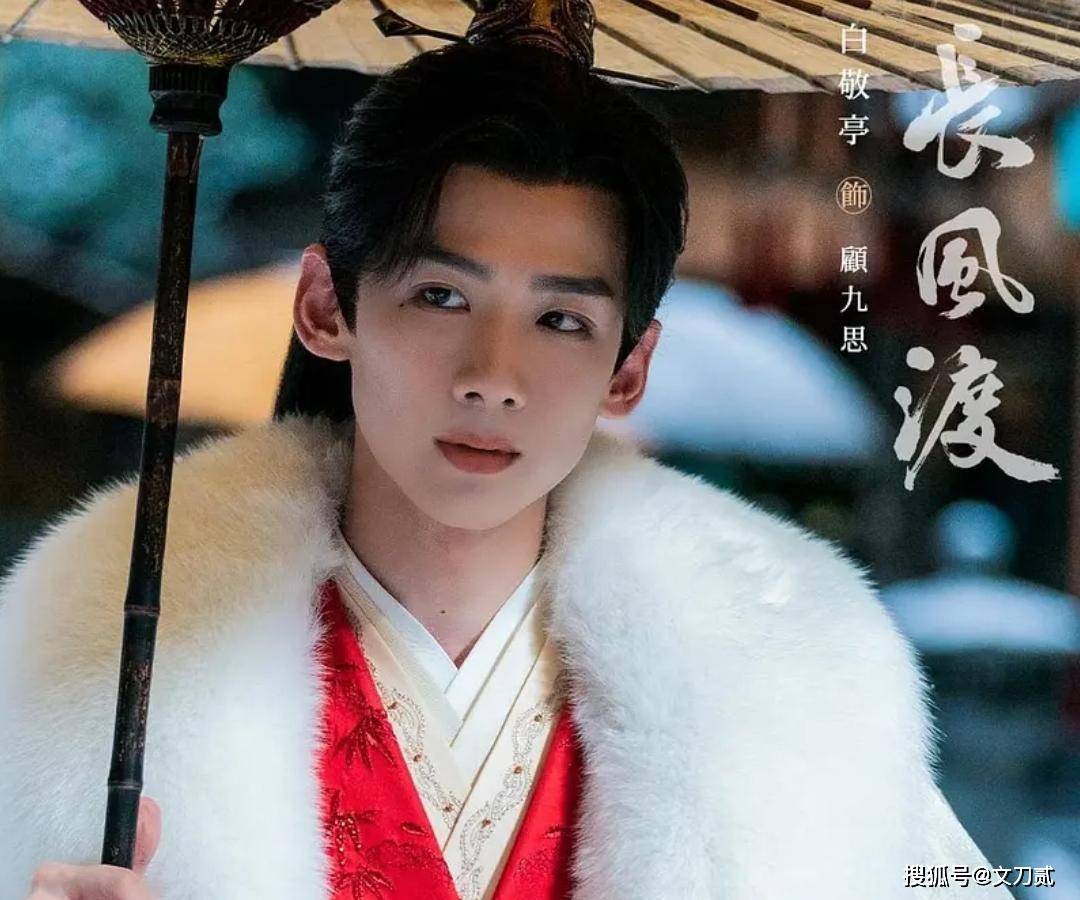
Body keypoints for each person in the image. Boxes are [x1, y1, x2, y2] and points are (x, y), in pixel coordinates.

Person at [0, 35, 1011, 900]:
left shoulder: (792, 691)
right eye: (442, 297)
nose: (493, 377)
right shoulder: (85, 681)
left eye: (561, 320)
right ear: (327, 307)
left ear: (629, 369)